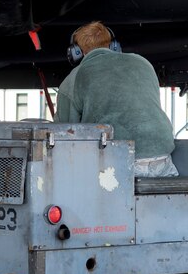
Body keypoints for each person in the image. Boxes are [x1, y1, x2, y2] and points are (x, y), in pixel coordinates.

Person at [54, 21, 178, 177]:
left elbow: (63, 134)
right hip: (162, 157)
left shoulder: (74, 78)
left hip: (116, 163)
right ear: (113, 46)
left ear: (76, 52)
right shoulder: (142, 63)